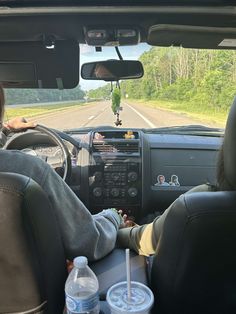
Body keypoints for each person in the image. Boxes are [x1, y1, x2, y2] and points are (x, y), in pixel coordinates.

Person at [0, 86, 123, 262]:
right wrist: (113, 216)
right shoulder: (31, 170)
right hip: (45, 287)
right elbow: (89, 243)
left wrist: (6, 131)